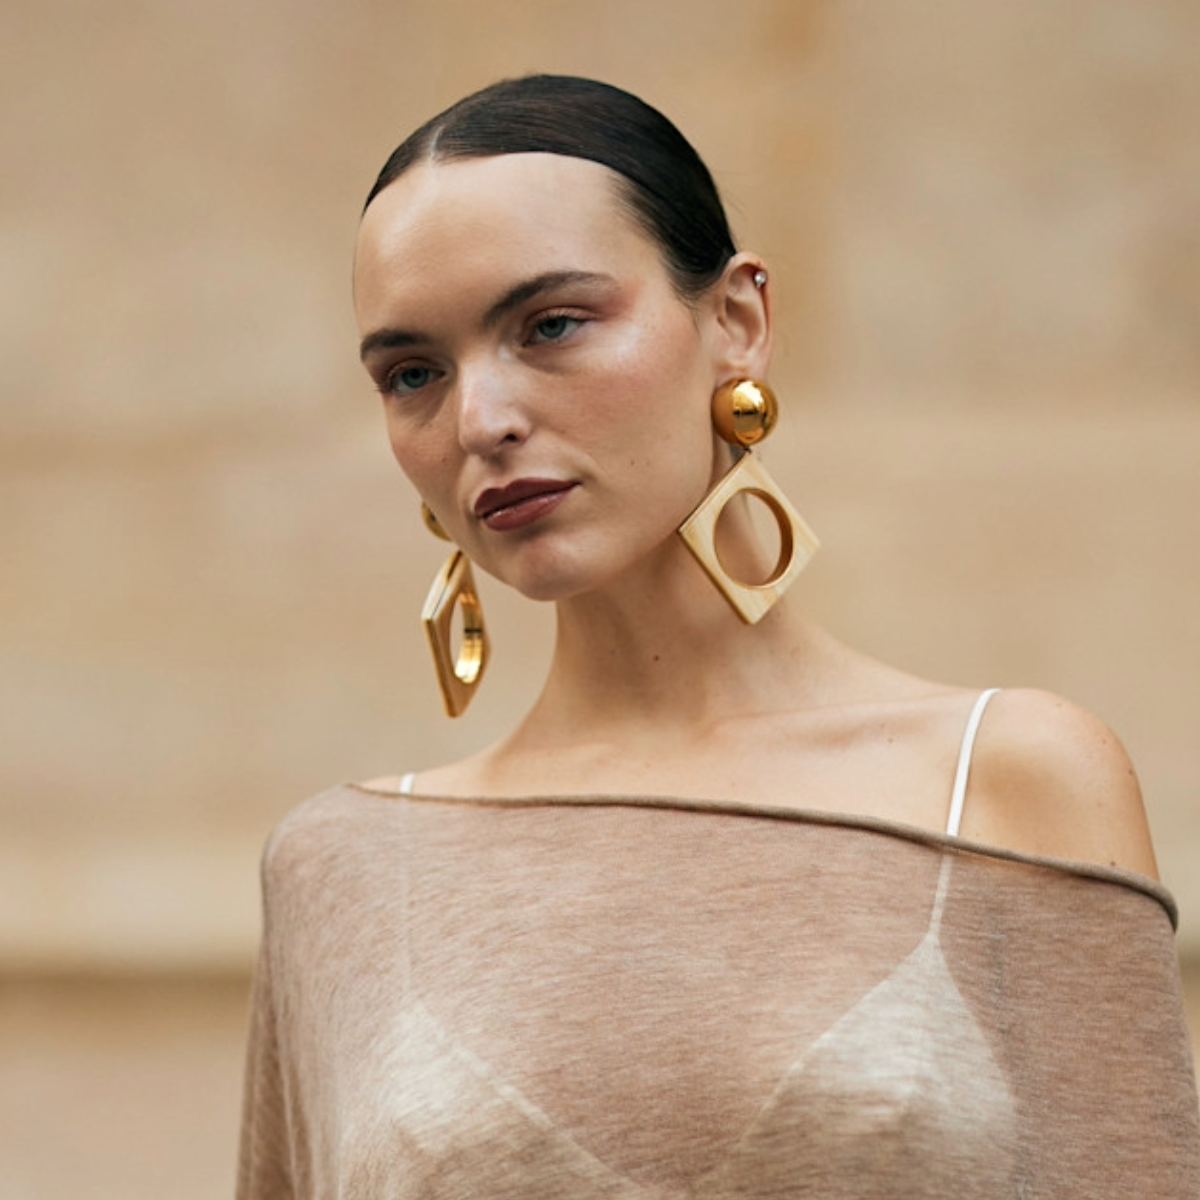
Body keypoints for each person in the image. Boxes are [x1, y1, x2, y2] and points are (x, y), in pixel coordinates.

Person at [237, 75, 1200, 1198]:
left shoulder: (1008, 780)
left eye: (551, 326)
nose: (480, 421)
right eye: (414, 374)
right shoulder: (339, 868)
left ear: (737, 322)